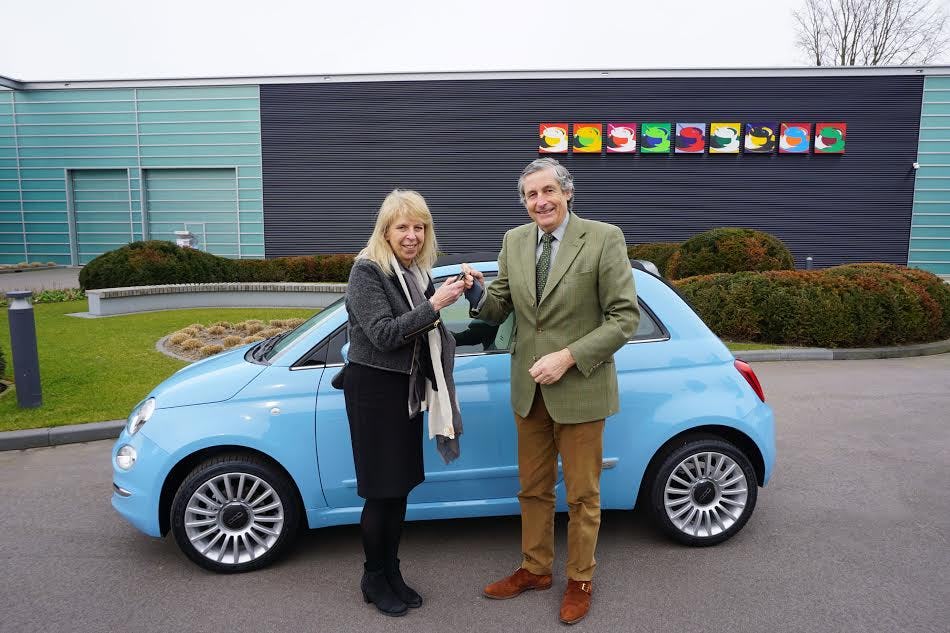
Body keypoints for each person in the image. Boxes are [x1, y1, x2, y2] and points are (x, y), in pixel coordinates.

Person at [462, 157, 639, 625]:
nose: (540, 202)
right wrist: (477, 293)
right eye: (531, 195)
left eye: (547, 191)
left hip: (580, 387)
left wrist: (568, 357)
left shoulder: (603, 238)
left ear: (567, 192)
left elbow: (624, 317)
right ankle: (535, 569)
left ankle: (580, 579)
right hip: (529, 390)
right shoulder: (514, 241)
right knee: (533, 490)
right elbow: (501, 306)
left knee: (582, 495)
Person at [343, 189, 468, 617]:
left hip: (404, 391)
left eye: (419, 227)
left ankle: (391, 571)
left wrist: (456, 299)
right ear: (385, 231)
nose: (412, 235)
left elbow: (428, 333)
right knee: (381, 492)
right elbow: (384, 335)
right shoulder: (367, 271)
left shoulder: (415, 272)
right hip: (374, 391)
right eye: (403, 227)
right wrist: (435, 305)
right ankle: (373, 577)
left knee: (399, 489)